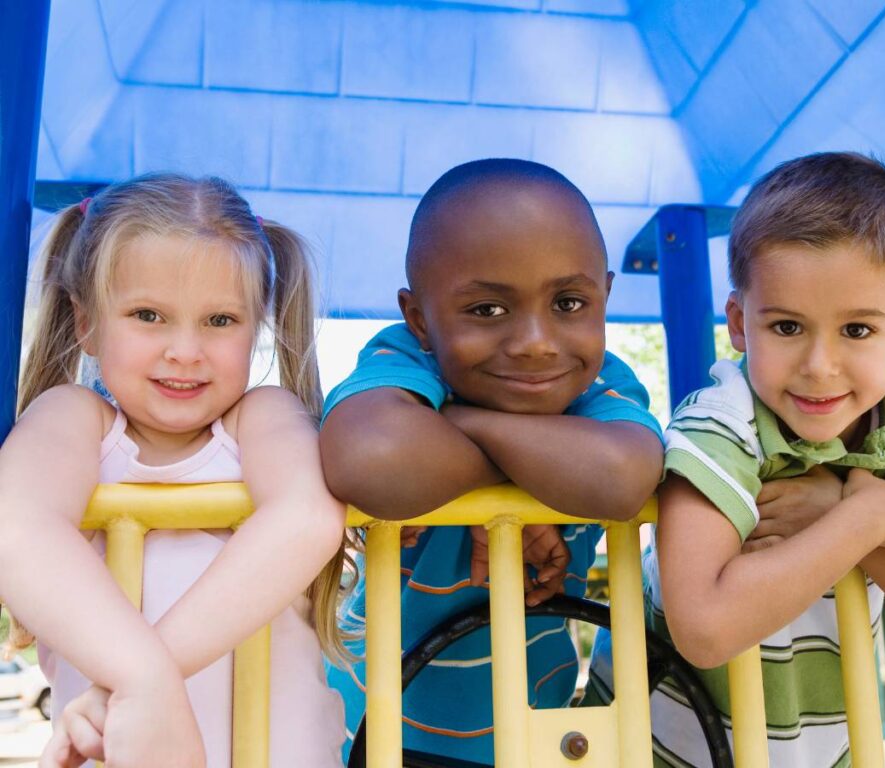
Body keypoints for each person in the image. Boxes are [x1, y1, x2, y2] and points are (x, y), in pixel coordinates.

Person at [588, 152, 885, 767]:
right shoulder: (721, 421)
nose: (820, 366)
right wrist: (867, 521)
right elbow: (705, 628)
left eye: (857, 331)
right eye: (788, 327)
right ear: (739, 324)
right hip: (650, 751)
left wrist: (868, 539)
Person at [319, 158, 665, 764]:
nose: (535, 341)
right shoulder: (407, 362)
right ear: (419, 319)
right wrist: (541, 456)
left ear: (605, 296)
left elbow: (620, 477)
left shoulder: (601, 386)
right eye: (487, 310)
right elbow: (369, 457)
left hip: (531, 733)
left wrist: (461, 421)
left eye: (569, 302)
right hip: (378, 730)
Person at [0, 174, 352, 768]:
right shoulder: (73, 422)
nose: (185, 350)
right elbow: (15, 525)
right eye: (148, 315)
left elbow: (307, 515)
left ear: (256, 325)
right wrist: (145, 681)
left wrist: (140, 683)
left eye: (219, 321)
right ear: (86, 322)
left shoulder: (262, 419)